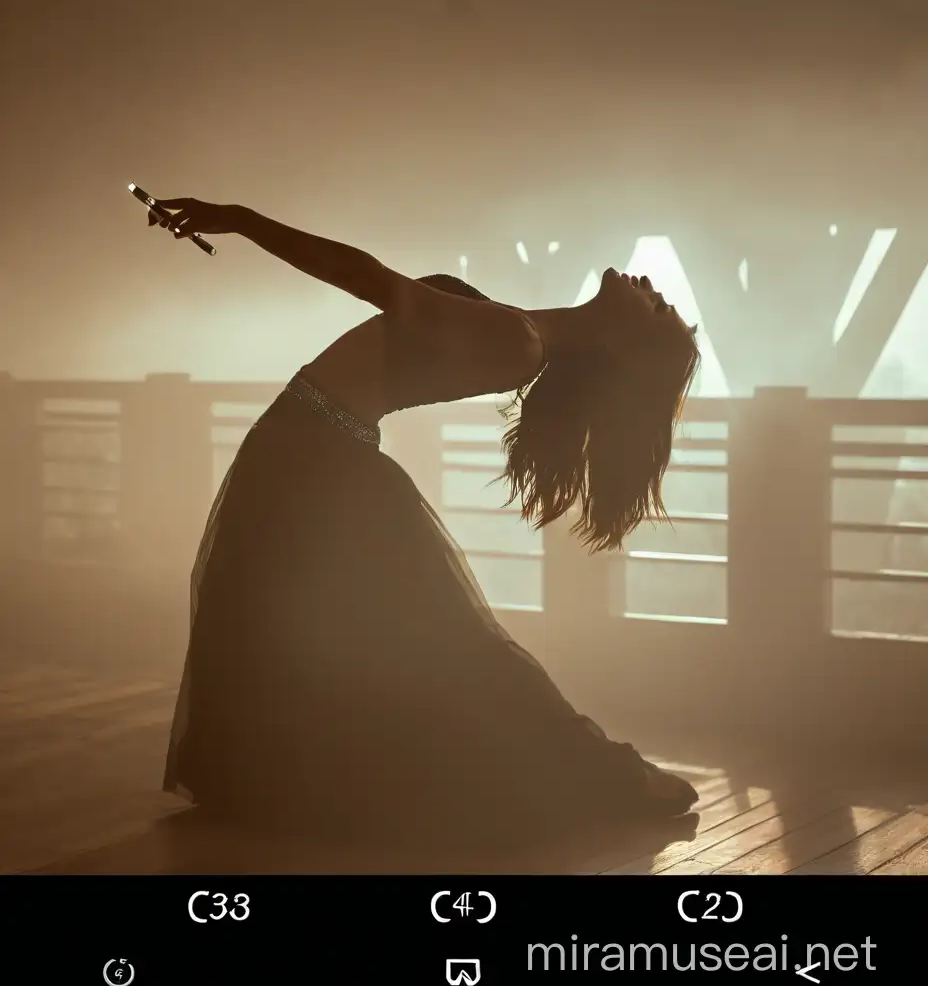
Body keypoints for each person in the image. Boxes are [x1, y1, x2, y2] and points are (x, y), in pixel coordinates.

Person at [154, 198, 702, 850]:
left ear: (627, 342)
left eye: (658, 308)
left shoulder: (516, 340)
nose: (652, 289)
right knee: (324, 624)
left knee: (447, 642)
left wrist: (241, 219)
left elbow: (372, 279)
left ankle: (604, 776)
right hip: (311, 451)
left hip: (316, 458)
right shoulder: (525, 334)